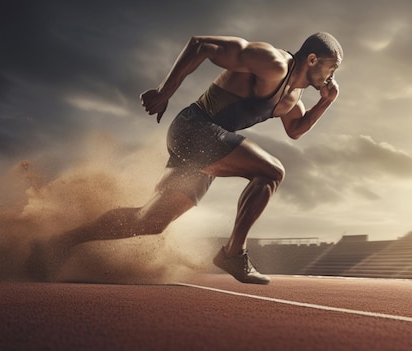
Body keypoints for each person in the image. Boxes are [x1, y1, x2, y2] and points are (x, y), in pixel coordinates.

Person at [31, 32, 342, 284]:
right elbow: (201, 45)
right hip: (195, 128)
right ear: (312, 59)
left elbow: (297, 130)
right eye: (332, 67)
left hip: (206, 146)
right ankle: (234, 253)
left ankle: (59, 243)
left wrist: (325, 104)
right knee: (272, 172)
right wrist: (165, 92)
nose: (332, 76)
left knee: (150, 221)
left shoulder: (293, 100)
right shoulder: (273, 62)